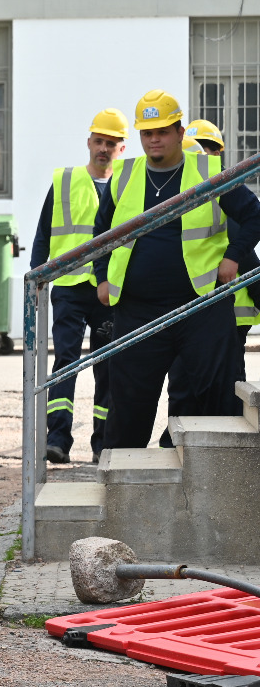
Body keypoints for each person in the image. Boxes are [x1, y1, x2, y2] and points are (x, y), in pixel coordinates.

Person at [93, 91, 260, 449]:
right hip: (137, 311)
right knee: (129, 406)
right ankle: (123, 494)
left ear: (180, 132)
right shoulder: (124, 176)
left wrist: (234, 256)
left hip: (199, 307)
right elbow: (100, 233)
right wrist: (102, 276)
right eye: (147, 132)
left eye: (163, 131)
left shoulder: (208, 171)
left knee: (214, 401)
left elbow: (254, 215)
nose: (154, 139)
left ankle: (217, 486)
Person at [29, 109, 127, 462]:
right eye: (99, 141)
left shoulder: (128, 185)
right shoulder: (64, 181)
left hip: (109, 289)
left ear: (121, 148)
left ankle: (103, 443)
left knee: (108, 366)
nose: (103, 148)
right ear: (89, 142)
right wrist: (37, 279)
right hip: (70, 286)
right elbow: (43, 235)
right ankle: (58, 439)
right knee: (65, 362)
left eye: (111, 143)